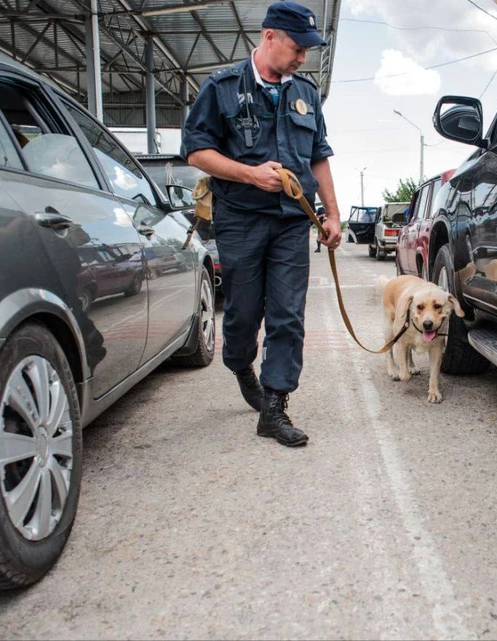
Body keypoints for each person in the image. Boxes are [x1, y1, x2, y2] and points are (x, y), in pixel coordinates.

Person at [182, 1, 342, 447]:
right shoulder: (222, 87)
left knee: (287, 315)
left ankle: (274, 407)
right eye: (296, 47)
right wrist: (251, 174)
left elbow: (319, 157)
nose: (302, 58)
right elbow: (197, 152)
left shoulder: (306, 94)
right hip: (240, 218)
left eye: (307, 50)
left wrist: (332, 213)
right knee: (243, 313)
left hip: (293, 222)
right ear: (269, 36)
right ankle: (239, 363)